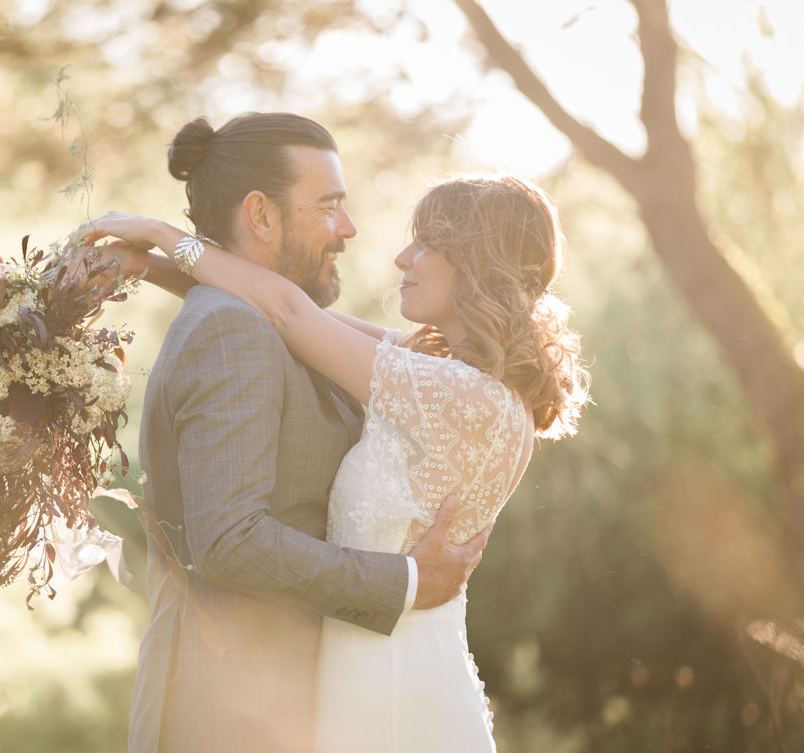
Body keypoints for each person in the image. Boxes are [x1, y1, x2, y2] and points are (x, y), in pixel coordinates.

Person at [83, 161, 589, 749]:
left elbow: (289, 314)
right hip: (367, 667)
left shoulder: (465, 398)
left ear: (479, 264)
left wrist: (163, 235)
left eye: (427, 244)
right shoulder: (441, 377)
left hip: (393, 687)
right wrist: (146, 267)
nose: (403, 259)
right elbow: (295, 311)